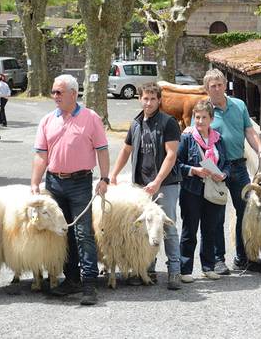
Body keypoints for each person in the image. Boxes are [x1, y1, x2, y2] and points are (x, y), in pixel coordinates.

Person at [31, 74, 109, 305]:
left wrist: (105, 178)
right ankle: (71, 279)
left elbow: (102, 150)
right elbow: (40, 154)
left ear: (73, 94)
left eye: (59, 92)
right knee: (62, 233)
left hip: (80, 183)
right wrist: (35, 182)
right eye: (53, 92)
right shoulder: (47, 121)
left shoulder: (91, 118)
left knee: (83, 233)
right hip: (54, 183)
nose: (54, 96)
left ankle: (89, 284)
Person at [109, 82, 183, 290]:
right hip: (141, 185)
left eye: (152, 99)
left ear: (159, 100)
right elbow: (126, 151)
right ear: (140, 99)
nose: (148, 102)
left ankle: (174, 271)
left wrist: (157, 181)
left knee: (167, 226)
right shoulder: (136, 123)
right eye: (145, 98)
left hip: (165, 184)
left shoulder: (168, 123)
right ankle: (147, 269)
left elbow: (171, 155)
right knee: (145, 228)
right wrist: (113, 174)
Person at [201, 69, 261, 274]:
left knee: (246, 213)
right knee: (217, 215)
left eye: (220, 84)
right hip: (216, 169)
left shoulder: (239, 105)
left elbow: (249, 131)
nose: (217, 88)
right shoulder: (204, 109)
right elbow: (197, 136)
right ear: (206, 89)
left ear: (225, 85)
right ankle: (218, 259)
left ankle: (243, 257)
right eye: (212, 86)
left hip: (239, 166)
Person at [176, 99, 230, 283]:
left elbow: (227, 163)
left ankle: (208, 267)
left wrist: (223, 174)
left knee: (210, 230)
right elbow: (176, 164)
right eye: (197, 117)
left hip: (213, 190)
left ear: (211, 119)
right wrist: (194, 170)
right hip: (192, 190)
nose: (200, 121)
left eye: (204, 117)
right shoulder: (187, 138)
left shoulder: (218, 139)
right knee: (189, 230)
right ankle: (185, 269)